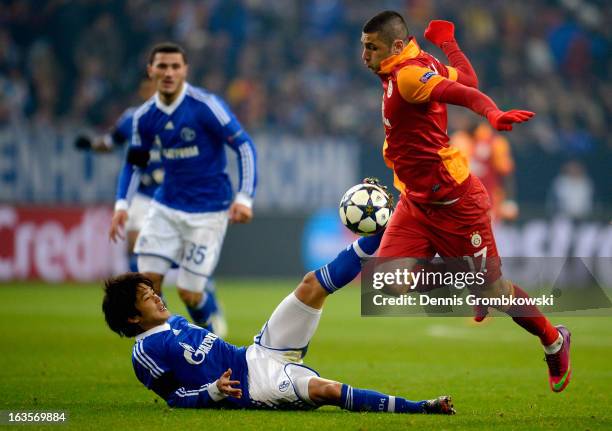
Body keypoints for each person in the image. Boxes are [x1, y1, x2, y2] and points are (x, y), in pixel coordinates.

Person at [360, 11, 571, 392]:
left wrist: (492, 113)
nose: (364, 56)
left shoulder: (410, 76)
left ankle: (554, 340)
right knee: (386, 282)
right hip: (416, 201)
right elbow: (468, 76)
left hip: (456, 204)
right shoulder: (418, 63)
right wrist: (448, 44)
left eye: (370, 47)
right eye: (363, 47)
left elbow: (467, 91)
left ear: (393, 46)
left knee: (497, 292)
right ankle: (468, 278)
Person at [102, 232, 455, 414]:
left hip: (257, 352)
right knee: (326, 390)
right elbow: (175, 399)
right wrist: (212, 392)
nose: (159, 297)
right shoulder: (145, 351)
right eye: (149, 298)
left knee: (311, 285)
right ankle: (421, 407)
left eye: (153, 292)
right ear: (133, 317)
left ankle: (388, 225)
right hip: (256, 387)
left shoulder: (175, 321)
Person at [109, 42, 257, 336]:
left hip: (208, 211)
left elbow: (243, 146)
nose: (168, 72)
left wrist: (244, 197)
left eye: (175, 66)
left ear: (185, 70)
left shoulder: (205, 106)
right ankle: (164, 348)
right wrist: (121, 206)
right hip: (165, 206)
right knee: (146, 285)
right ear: (151, 70)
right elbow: (135, 163)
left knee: (189, 293)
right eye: (162, 66)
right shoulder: (144, 117)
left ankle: (208, 333)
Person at [450, 122, 519, 222]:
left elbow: (506, 172)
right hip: (462, 203)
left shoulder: (495, 143)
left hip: (489, 202)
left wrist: (509, 200)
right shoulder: (459, 140)